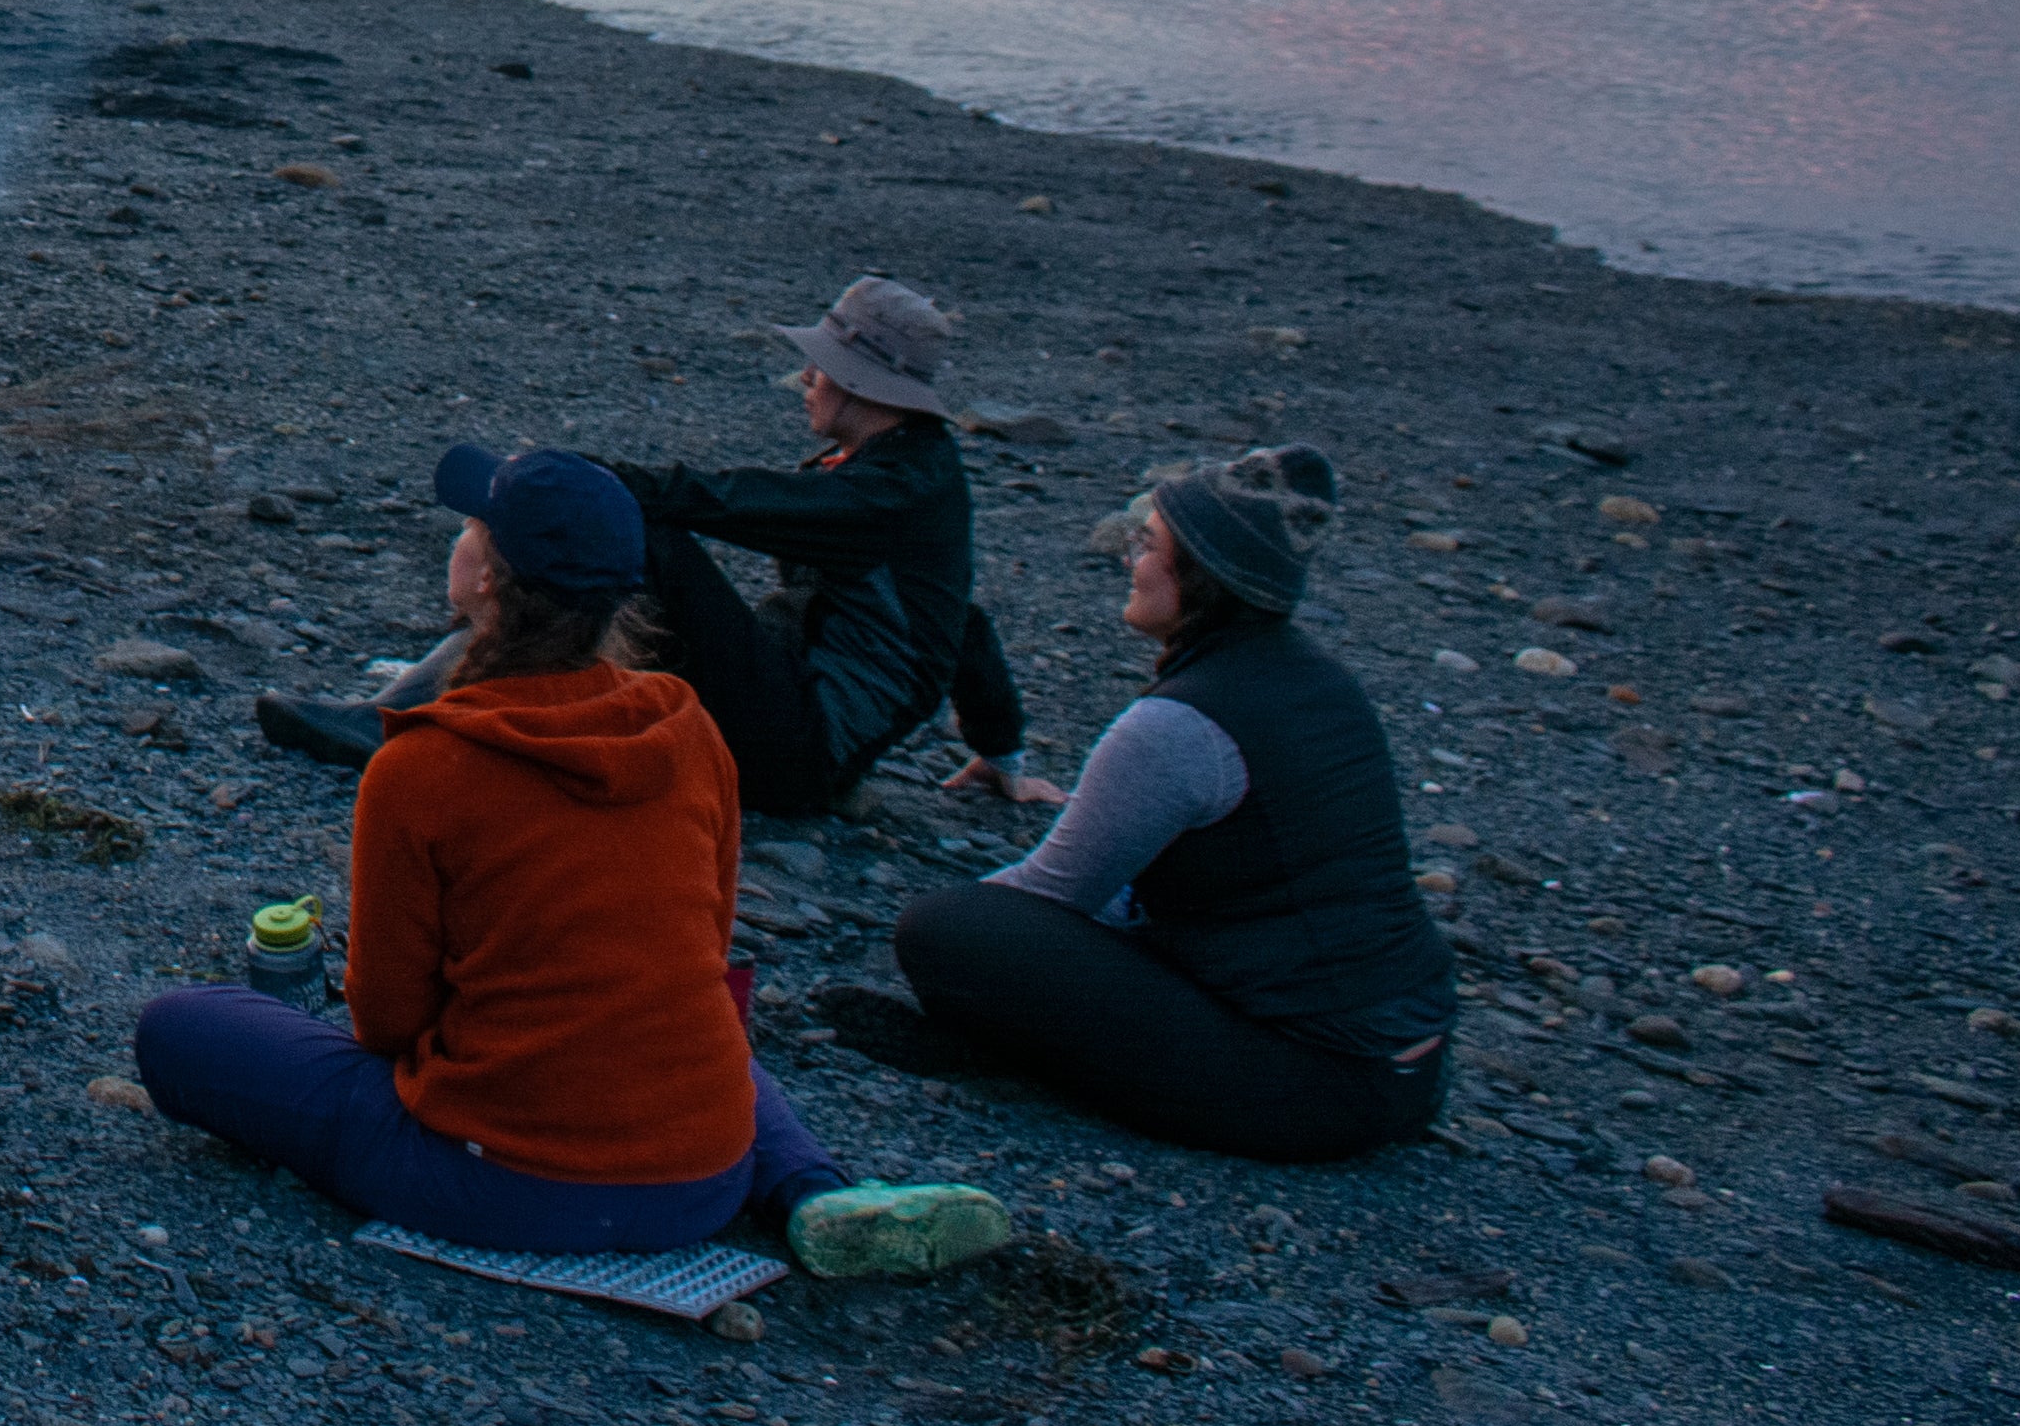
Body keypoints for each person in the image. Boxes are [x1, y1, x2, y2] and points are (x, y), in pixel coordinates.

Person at [138, 447, 1004, 1275]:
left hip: (502, 1184)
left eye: (471, 525)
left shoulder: (419, 764)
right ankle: (812, 1194)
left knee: (181, 1028)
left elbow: (387, 1023)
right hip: (702, 1180)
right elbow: (704, 946)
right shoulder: (689, 728)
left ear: (487, 578)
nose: (458, 537)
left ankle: (604, 1152)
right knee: (677, 1011)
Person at [821, 464, 1456, 1162]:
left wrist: (947, 949)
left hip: (1314, 1083)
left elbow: (1051, 891)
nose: (1129, 560)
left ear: (1200, 574)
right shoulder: (1320, 682)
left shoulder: (1177, 724)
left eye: (1147, 545)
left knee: (945, 928)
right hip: (1413, 1067)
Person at [260, 275, 1035, 819]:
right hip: (800, 718)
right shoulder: (906, 472)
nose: (806, 376)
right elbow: (962, 622)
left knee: (644, 540)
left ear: (867, 388)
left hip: (800, 749)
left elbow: (720, 501)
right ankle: (462, 697)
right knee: (629, 556)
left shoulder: (887, 493)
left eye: (823, 366)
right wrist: (1002, 755)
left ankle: (397, 718)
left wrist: (573, 479)